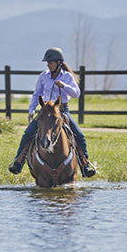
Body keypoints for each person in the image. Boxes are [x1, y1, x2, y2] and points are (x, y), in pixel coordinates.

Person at [8, 47, 96, 178]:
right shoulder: (43, 76)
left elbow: (76, 93)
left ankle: (84, 164)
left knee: (79, 135)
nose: (48, 65)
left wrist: (64, 86)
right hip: (45, 111)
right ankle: (18, 161)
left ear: (59, 63)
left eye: (51, 63)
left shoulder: (67, 77)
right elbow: (37, 93)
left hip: (62, 110)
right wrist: (31, 109)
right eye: (47, 63)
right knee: (28, 133)